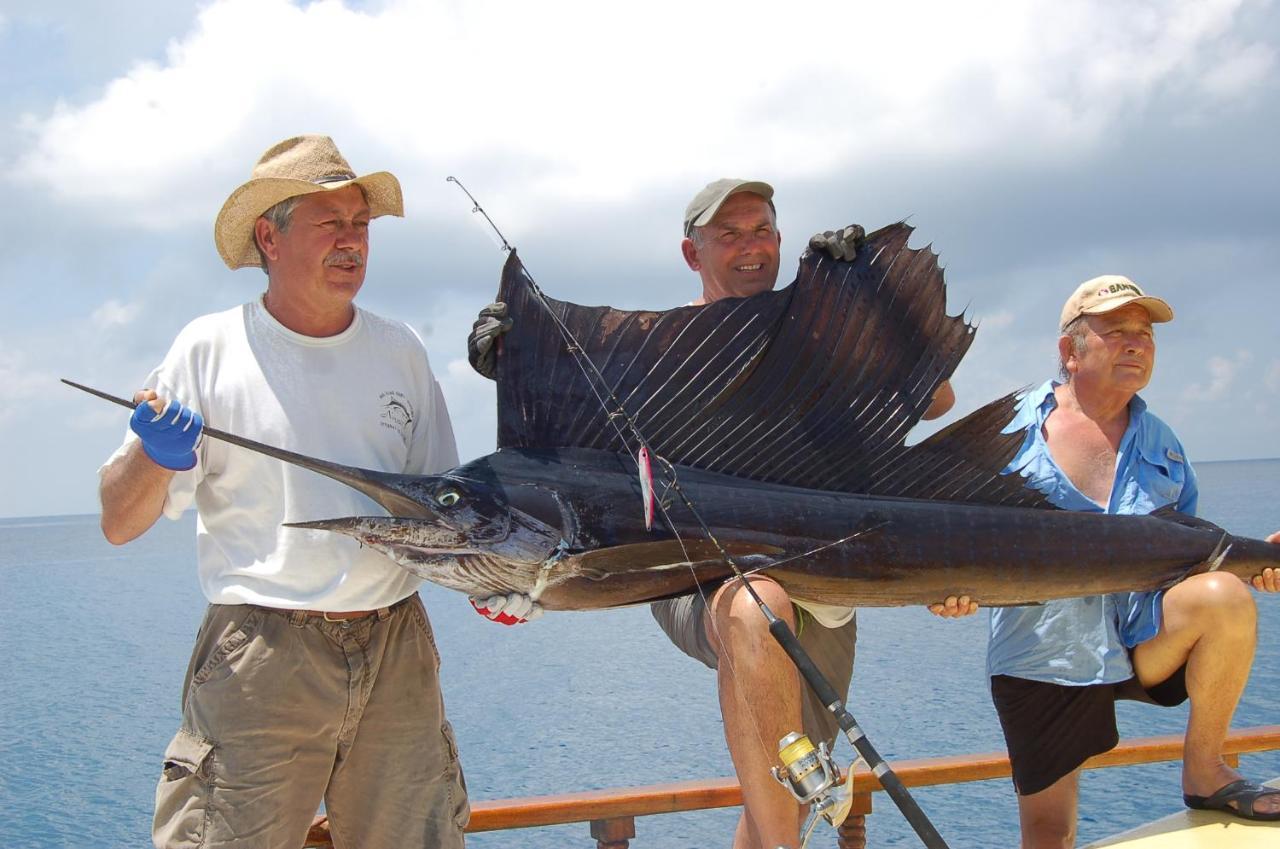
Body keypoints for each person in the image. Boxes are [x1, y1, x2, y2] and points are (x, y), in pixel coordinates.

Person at [469, 178, 958, 849]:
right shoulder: (659, 352)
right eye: (728, 235)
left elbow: (937, 399)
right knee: (759, 611)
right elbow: (581, 455)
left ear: (782, 241)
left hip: (824, 589)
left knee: (781, 777)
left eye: (761, 230)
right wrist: (518, 363)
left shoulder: (818, 333)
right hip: (685, 577)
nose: (750, 247)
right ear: (690, 252)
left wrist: (868, 296)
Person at [99, 135, 527, 849]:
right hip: (259, 651)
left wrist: (497, 586)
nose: (352, 240)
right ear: (270, 234)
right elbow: (118, 518)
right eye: (330, 223)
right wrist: (155, 454)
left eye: (360, 224)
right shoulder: (207, 347)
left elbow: (447, 517)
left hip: (398, 644)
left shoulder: (402, 350)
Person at [986, 275, 1280, 847]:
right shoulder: (1007, 431)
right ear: (1070, 351)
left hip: (1144, 640)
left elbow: (1197, 552)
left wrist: (1261, 563)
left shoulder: (1163, 441)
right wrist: (950, 599)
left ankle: (1204, 769)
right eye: (1116, 331)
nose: (1136, 345)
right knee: (1051, 834)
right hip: (1046, 656)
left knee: (1225, 594)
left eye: (1144, 334)